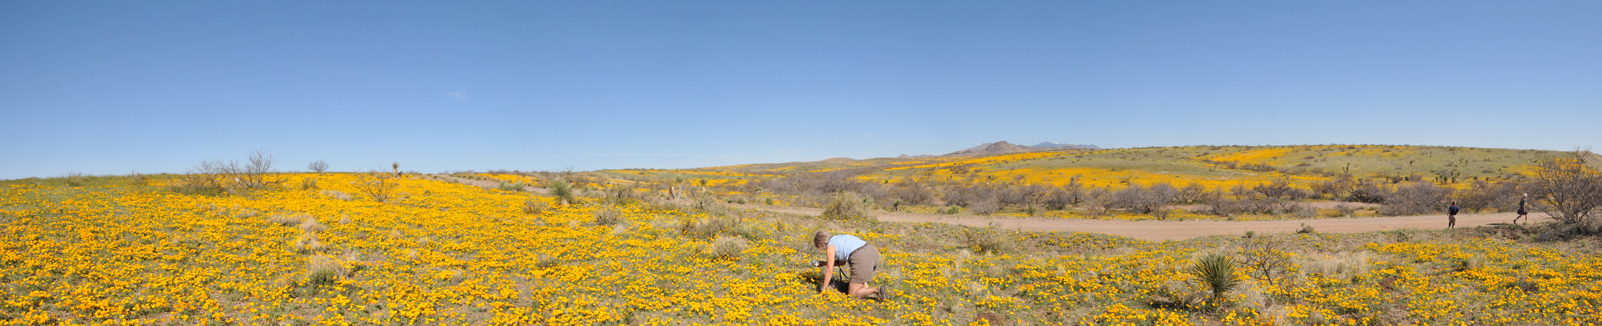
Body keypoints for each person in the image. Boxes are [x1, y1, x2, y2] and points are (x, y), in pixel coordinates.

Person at [813, 231, 882, 299]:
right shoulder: (839, 238)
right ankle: (865, 289)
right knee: (858, 275)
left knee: (852, 293)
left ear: (821, 244)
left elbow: (829, 270)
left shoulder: (830, 247)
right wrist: (823, 263)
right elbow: (842, 263)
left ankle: (877, 290)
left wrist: (824, 289)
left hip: (861, 257)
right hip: (872, 251)